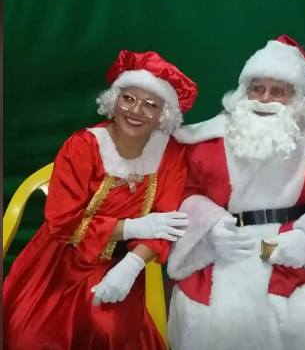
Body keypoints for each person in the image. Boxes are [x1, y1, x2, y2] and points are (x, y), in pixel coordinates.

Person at [166, 36, 305, 350]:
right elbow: (183, 191)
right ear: (244, 92)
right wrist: (210, 228)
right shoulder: (208, 139)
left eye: (278, 91)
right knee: (214, 321)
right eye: (257, 88)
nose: (265, 99)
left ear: (298, 98)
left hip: (290, 249)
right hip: (227, 248)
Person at [3, 50, 197, 350]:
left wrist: (132, 264)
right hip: (61, 260)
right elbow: (62, 223)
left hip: (119, 261)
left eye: (150, 104)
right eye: (128, 98)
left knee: (112, 334)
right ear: (114, 100)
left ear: (164, 114)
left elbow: (166, 223)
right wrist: (132, 227)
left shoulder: (171, 154)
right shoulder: (82, 146)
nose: (136, 110)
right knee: (32, 337)